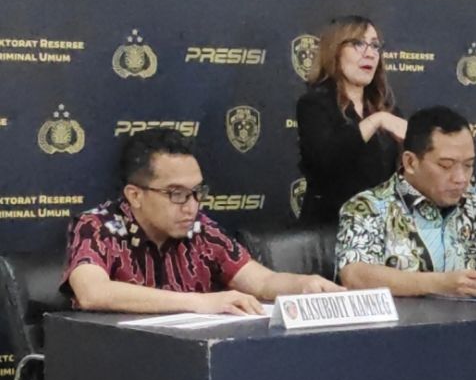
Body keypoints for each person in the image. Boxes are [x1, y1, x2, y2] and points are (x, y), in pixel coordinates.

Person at [63, 129, 342, 314]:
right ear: (135, 195)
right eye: (176, 194)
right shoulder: (97, 227)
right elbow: (92, 292)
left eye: (197, 192)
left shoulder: (201, 230)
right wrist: (199, 303)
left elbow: (262, 281)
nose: (192, 206)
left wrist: (304, 285)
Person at [337, 106, 476, 297]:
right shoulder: (369, 207)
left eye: (468, 165)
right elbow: (355, 275)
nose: (461, 178)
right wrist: (440, 284)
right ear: (410, 162)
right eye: (446, 165)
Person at [296, 15, 409, 224]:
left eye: (375, 46)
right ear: (335, 50)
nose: (370, 53)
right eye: (358, 44)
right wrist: (375, 121)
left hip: (380, 226)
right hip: (332, 228)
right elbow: (326, 160)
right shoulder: (314, 104)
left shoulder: (386, 107)